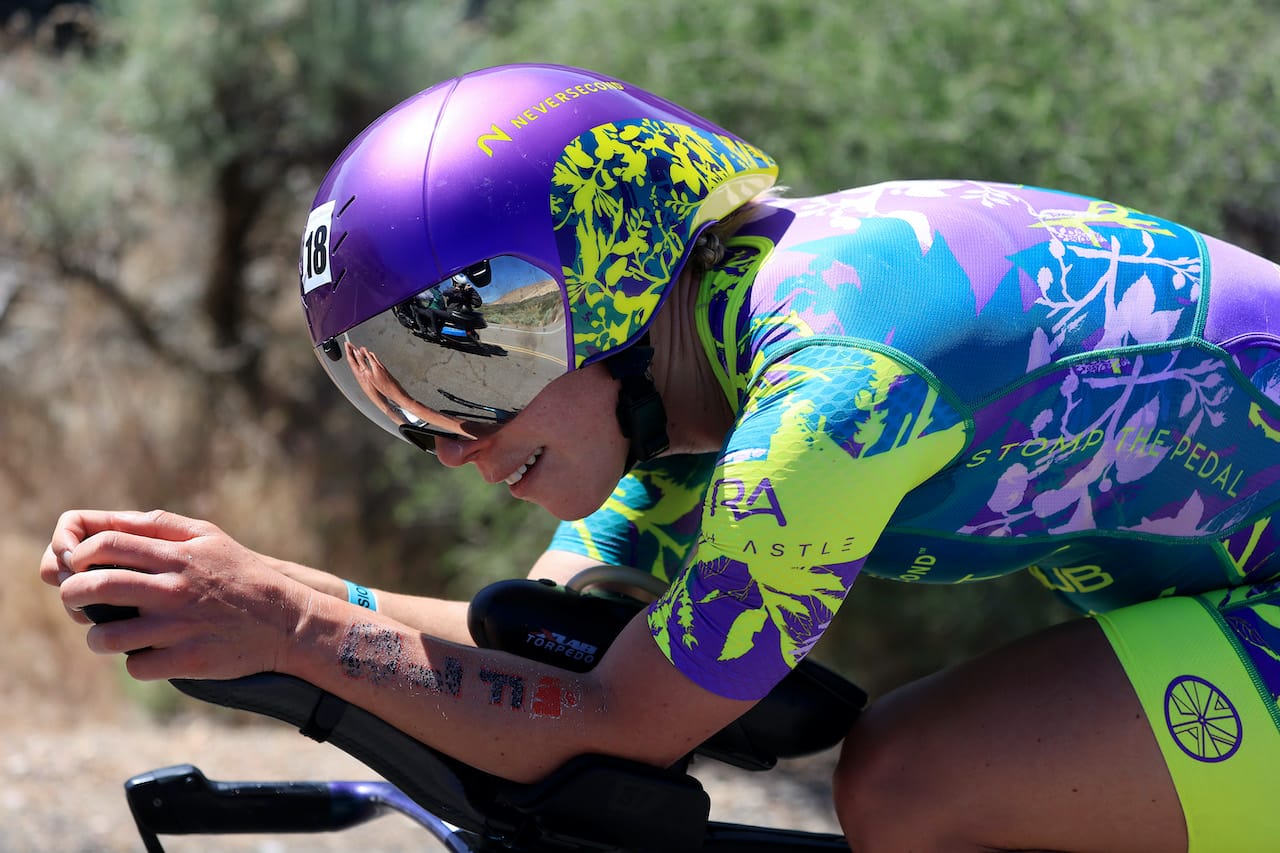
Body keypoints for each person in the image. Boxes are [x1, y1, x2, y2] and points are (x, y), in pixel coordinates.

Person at [39, 62, 1280, 852]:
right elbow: (538, 650)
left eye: (466, 368)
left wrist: (284, 625)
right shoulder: (699, 369)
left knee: (914, 785)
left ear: (607, 282)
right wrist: (257, 588)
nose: (446, 442)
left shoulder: (829, 392)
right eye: (398, 395)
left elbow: (614, 721)